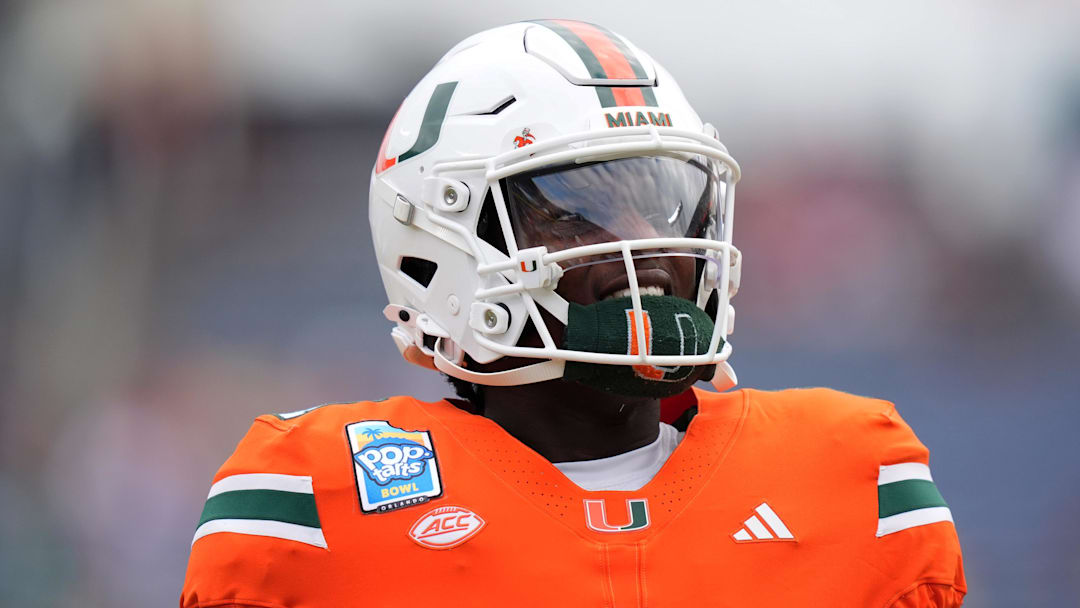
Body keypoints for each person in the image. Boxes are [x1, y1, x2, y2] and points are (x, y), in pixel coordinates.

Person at [181, 20, 965, 607]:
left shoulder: (849, 480)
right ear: (444, 247)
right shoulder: (311, 506)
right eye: (578, 211)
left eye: (665, 205)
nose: (650, 249)